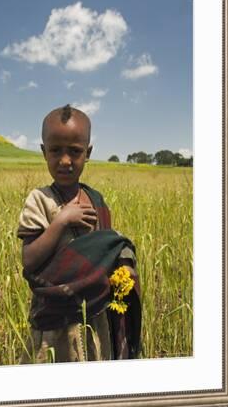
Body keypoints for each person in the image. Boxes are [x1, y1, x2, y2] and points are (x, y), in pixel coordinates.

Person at [17, 104, 141, 364]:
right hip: (53, 321)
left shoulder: (96, 200)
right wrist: (61, 221)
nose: (65, 161)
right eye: (55, 151)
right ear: (43, 152)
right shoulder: (40, 200)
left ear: (88, 153)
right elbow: (29, 260)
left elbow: (110, 246)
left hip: (95, 319)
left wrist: (125, 266)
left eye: (75, 152)